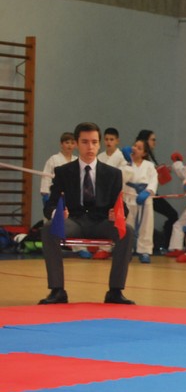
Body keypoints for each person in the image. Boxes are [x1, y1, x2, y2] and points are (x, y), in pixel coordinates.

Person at [39, 122, 135, 305]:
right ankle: (57, 290)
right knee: (49, 228)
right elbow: (49, 205)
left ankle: (115, 291)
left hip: (102, 222)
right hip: (73, 221)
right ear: (76, 143)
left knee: (127, 231)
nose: (90, 147)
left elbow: (121, 205)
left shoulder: (113, 174)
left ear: (99, 144)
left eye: (94, 142)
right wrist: (57, 214)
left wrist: (118, 214)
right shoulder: (63, 172)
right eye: (84, 142)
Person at [40, 132, 89, 259]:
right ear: (61, 144)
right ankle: (53, 248)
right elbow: (46, 177)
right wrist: (45, 194)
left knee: (76, 221)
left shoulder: (77, 161)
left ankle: (80, 248)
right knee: (52, 222)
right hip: (56, 196)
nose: (69, 145)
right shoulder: (54, 159)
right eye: (67, 142)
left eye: (72, 143)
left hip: (72, 197)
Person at [137, 129, 179, 252]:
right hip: (138, 193)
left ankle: (163, 245)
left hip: (149, 193)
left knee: (170, 215)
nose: (154, 142)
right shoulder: (136, 158)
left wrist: (162, 171)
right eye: (152, 139)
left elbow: (154, 178)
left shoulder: (149, 159)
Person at [122, 139, 158, 263]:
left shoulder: (149, 165)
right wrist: (129, 163)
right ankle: (127, 250)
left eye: (139, 148)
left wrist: (148, 191)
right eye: (134, 146)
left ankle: (145, 251)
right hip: (129, 197)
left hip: (144, 197)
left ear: (144, 153)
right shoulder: (125, 164)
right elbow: (123, 179)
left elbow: (154, 180)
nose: (134, 149)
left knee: (146, 225)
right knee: (128, 225)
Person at [94, 127, 127, 260]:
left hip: (116, 193)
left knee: (119, 221)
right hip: (102, 193)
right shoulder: (100, 157)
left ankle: (121, 249)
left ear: (117, 141)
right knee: (104, 219)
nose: (108, 142)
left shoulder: (121, 158)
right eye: (106, 139)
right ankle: (104, 249)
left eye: (111, 139)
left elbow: (125, 174)